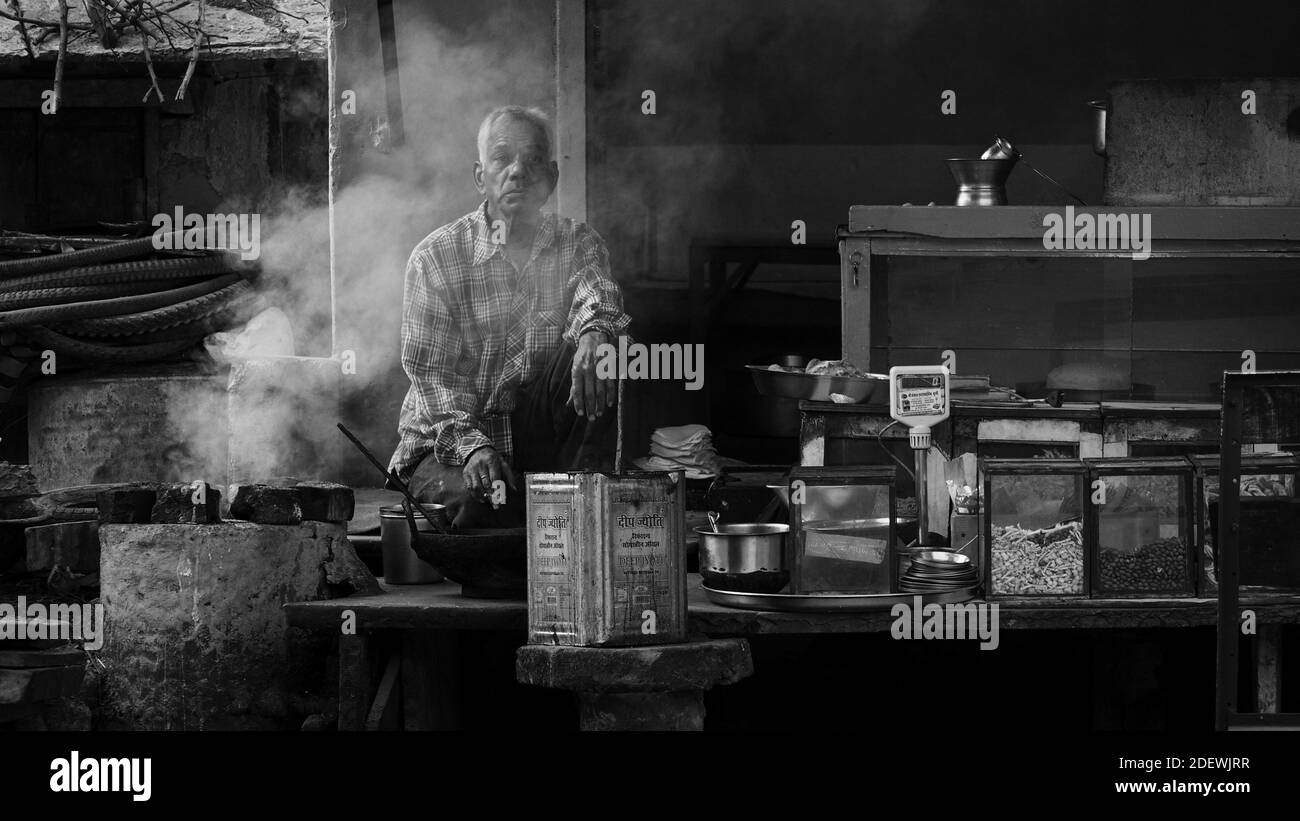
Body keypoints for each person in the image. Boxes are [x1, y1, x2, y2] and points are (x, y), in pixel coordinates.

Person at [388, 105, 631, 527]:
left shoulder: (577, 241)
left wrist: (596, 333)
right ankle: (537, 540)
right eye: (502, 158)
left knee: (603, 348)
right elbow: (435, 381)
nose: (518, 171)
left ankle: (582, 504)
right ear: (481, 176)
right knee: (488, 506)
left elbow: (599, 292)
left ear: (552, 178)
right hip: (448, 441)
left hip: (532, 440)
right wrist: (475, 449)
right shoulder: (436, 258)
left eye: (533, 160)